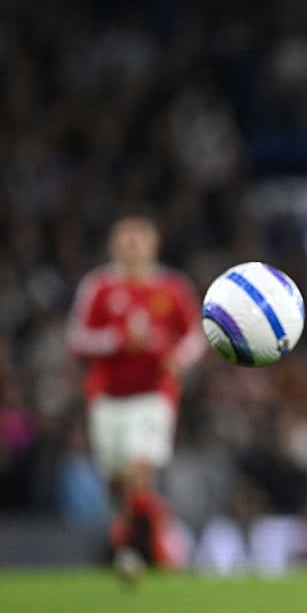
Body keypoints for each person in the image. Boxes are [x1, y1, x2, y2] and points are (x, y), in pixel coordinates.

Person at [66, 213, 205, 577]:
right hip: (107, 398)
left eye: (138, 241)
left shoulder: (173, 288)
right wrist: (119, 341)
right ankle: (146, 536)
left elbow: (195, 336)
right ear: (113, 247)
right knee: (118, 483)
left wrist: (179, 359)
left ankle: (145, 550)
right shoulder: (98, 287)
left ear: (153, 245)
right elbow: (77, 339)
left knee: (140, 470)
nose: (132, 249)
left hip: (153, 395)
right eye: (125, 242)